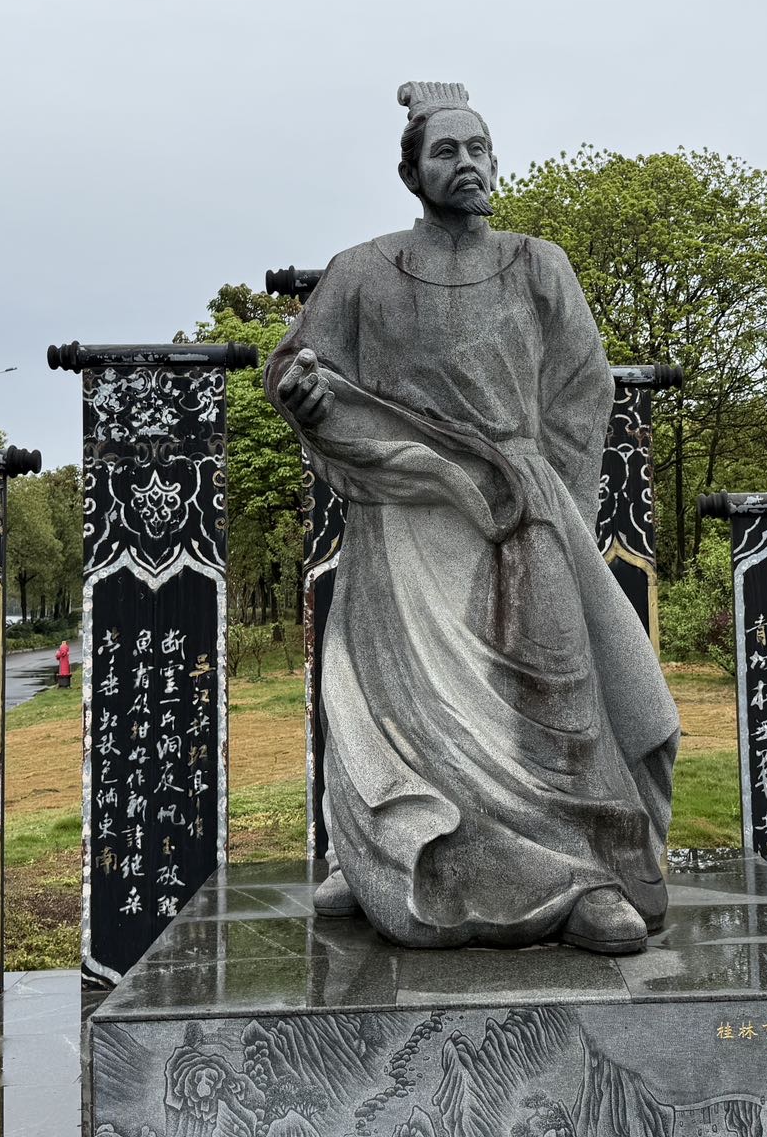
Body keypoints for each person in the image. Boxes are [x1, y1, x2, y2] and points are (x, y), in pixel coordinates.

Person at [265, 82, 678, 954]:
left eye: (478, 148)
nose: (467, 164)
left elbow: (581, 390)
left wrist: (548, 498)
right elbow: (299, 365)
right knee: (398, 709)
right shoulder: (361, 270)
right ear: (410, 172)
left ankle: (586, 875)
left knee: (557, 705)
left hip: (520, 511)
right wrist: (303, 392)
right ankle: (395, 852)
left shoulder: (538, 264)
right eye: (446, 151)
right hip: (404, 520)